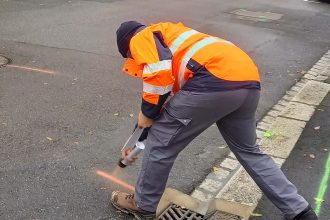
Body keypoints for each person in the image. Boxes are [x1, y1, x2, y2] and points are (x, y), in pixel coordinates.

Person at [111, 21, 318, 220]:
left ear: (127, 47)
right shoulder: (169, 34)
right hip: (246, 81)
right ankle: (299, 210)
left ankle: (143, 205)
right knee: (249, 151)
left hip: (212, 80)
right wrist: (140, 135)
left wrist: (146, 114)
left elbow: (158, 77)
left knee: (160, 144)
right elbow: (167, 104)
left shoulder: (139, 38)